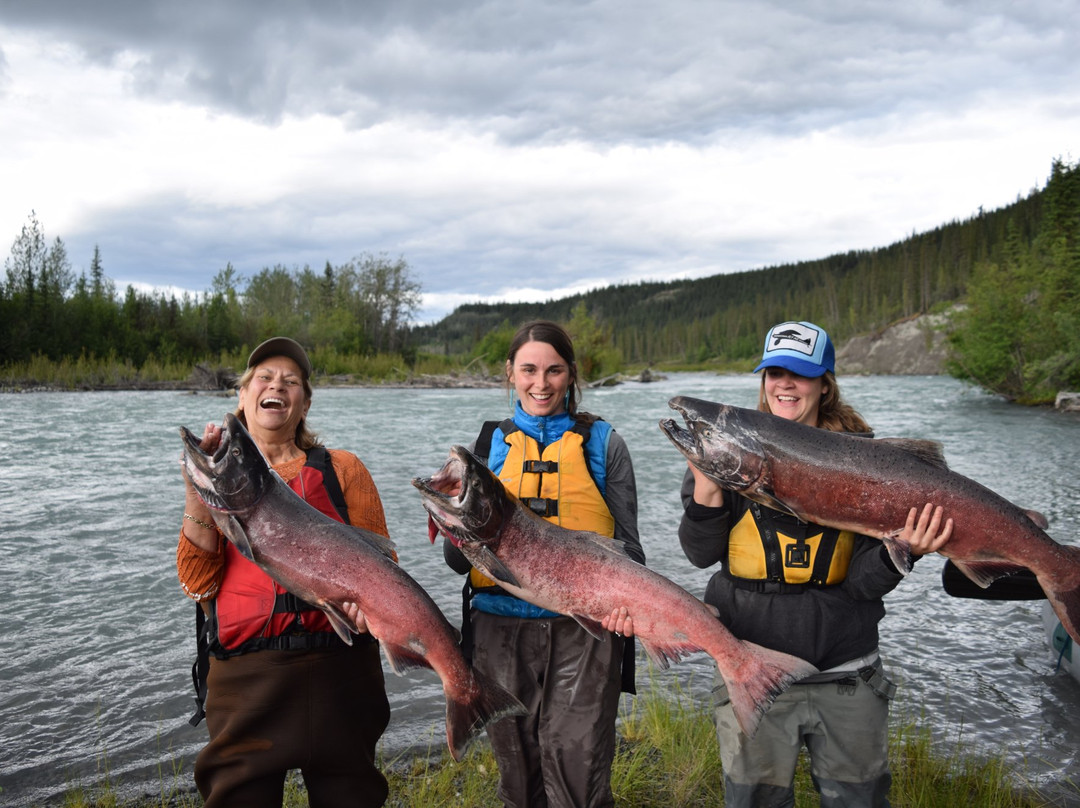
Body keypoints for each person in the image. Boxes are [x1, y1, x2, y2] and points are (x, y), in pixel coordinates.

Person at [674, 320, 952, 808]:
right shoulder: (728, 453)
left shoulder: (870, 465)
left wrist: (904, 550)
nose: (785, 384)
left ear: (825, 383)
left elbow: (863, 586)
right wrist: (706, 490)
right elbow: (700, 556)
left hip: (847, 669)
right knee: (753, 800)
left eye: (799, 374)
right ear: (762, 380)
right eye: (774, 371)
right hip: (751, 664)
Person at [177, 337, 391, 808]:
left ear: (305, 402)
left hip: (342, 674)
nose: (277, 386)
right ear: (242, 396)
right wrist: (198, 495)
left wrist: (368, 610)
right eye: (264, 378)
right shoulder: (221, 477)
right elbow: (198, 584)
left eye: (291, 381)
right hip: (247, 684)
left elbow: (385, 571)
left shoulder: (344, 469)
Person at [441, 319, 644, 808]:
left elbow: (632, 552)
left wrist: (625, 608)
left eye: (554, 371)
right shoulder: (485, 449)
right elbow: (455, 561)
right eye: (528, 370)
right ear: (509, 372)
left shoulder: (605, 445)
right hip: (497, 629)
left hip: (587, 632)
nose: (541, 383)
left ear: (571, 375)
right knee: (517, 772)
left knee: (578, 765)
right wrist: (451, 523)